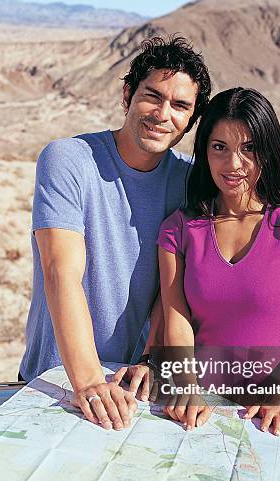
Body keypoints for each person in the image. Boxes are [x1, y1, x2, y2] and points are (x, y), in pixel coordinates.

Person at [18, 35, 212, 431]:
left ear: (191, 120)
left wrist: (152, 361)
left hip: (132, 392)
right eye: (152, 96)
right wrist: (88, 379)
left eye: (179, 106)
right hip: (57, 383)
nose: (162, 113)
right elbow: (60, 271)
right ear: (128, 95)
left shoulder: (190, 180)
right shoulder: (69, 159)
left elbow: (173, 288)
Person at [157, 87, 280, 436]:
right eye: (219, 147)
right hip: (202, 411)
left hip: (276, 413)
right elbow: (177, 323)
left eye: (248, 148)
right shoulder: (179, 230)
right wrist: (187, 385)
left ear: (268, 152)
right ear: (204, 151)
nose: (233, 164)